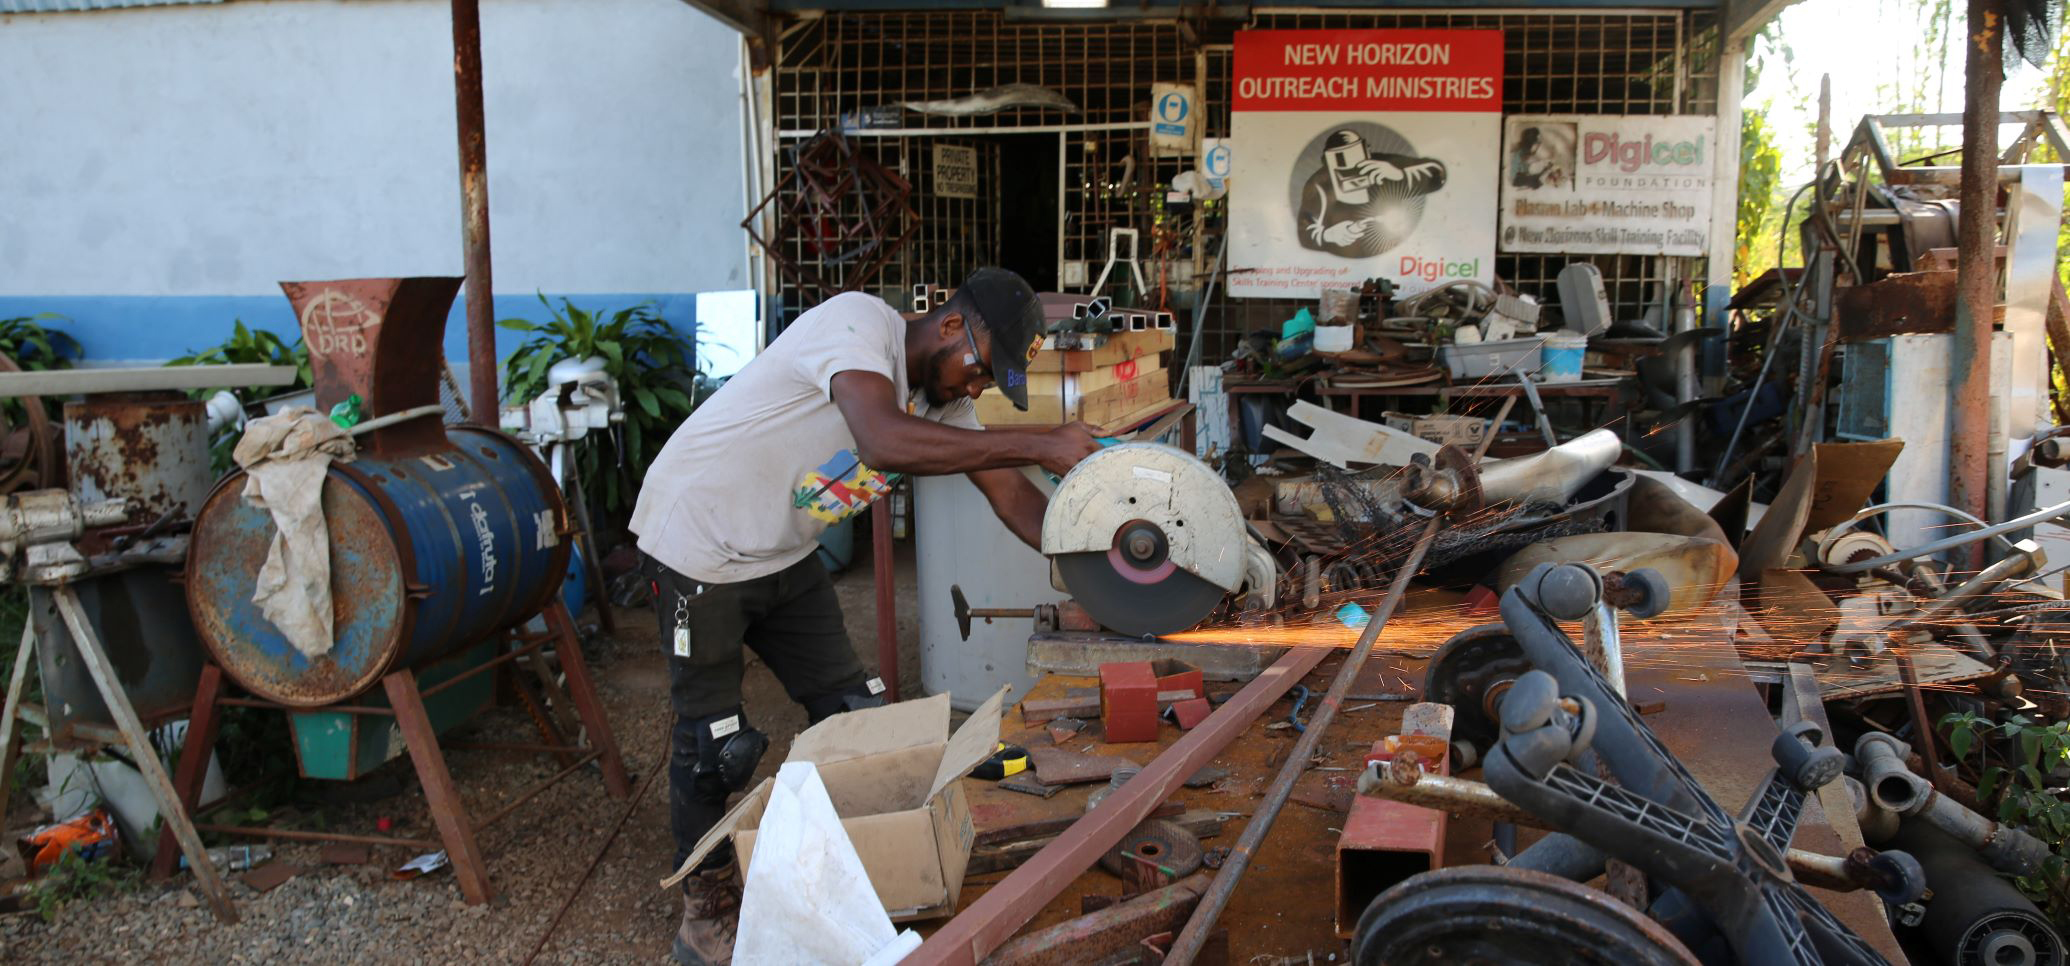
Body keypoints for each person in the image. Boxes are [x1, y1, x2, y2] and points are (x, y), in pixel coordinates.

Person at [629, 267, 1102, 966]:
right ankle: (707, 911)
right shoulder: (856, 324)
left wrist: (1099, 564)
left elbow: (1013, 497)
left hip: (782, 553)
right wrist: (1038, 440)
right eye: (979, 371)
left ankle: (883, 854)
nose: (975, 391)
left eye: (987, 385)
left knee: (859, 714)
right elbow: (882, 441)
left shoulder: (942, 406)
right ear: (949, 325)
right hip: (700, 545)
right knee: (715, 748)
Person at [1296, 128, 1447, 258]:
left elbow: (1437, 174)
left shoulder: (1385, 165)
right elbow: (1304, 231)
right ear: (1327, 162)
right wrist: (1328, 235)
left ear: (1367, 151)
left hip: (1393, 252)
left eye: (1357, 161)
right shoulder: (1319, 184)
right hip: (1345, 259)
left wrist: (1400, 174)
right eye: (1343, 166)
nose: (1353, 174)